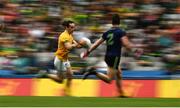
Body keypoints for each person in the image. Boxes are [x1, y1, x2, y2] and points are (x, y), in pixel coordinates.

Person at [81, 14, 143, 97]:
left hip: (107, 56)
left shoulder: (107, 32)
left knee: (119, 74)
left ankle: (121, 93)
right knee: (109, 80)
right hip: (115, 57)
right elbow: (126, 44)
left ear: (112, 22)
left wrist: (88, 52)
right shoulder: (121, 32)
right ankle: (94, 72)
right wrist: (135, 50)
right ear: (119, 22)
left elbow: (96, 44)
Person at [39, 20, 81, 96]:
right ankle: (46, 75)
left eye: (74, 27)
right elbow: (68, 47)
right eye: (71, 27)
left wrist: (80, 44)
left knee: (70, 75)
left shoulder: (70, 35)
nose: (73, 29)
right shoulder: (64, 36)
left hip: (64, 59)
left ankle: (67, 93)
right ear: (66, 27)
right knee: (61, 80)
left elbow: (76, 44)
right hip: (60, 60)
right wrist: (76, 45)